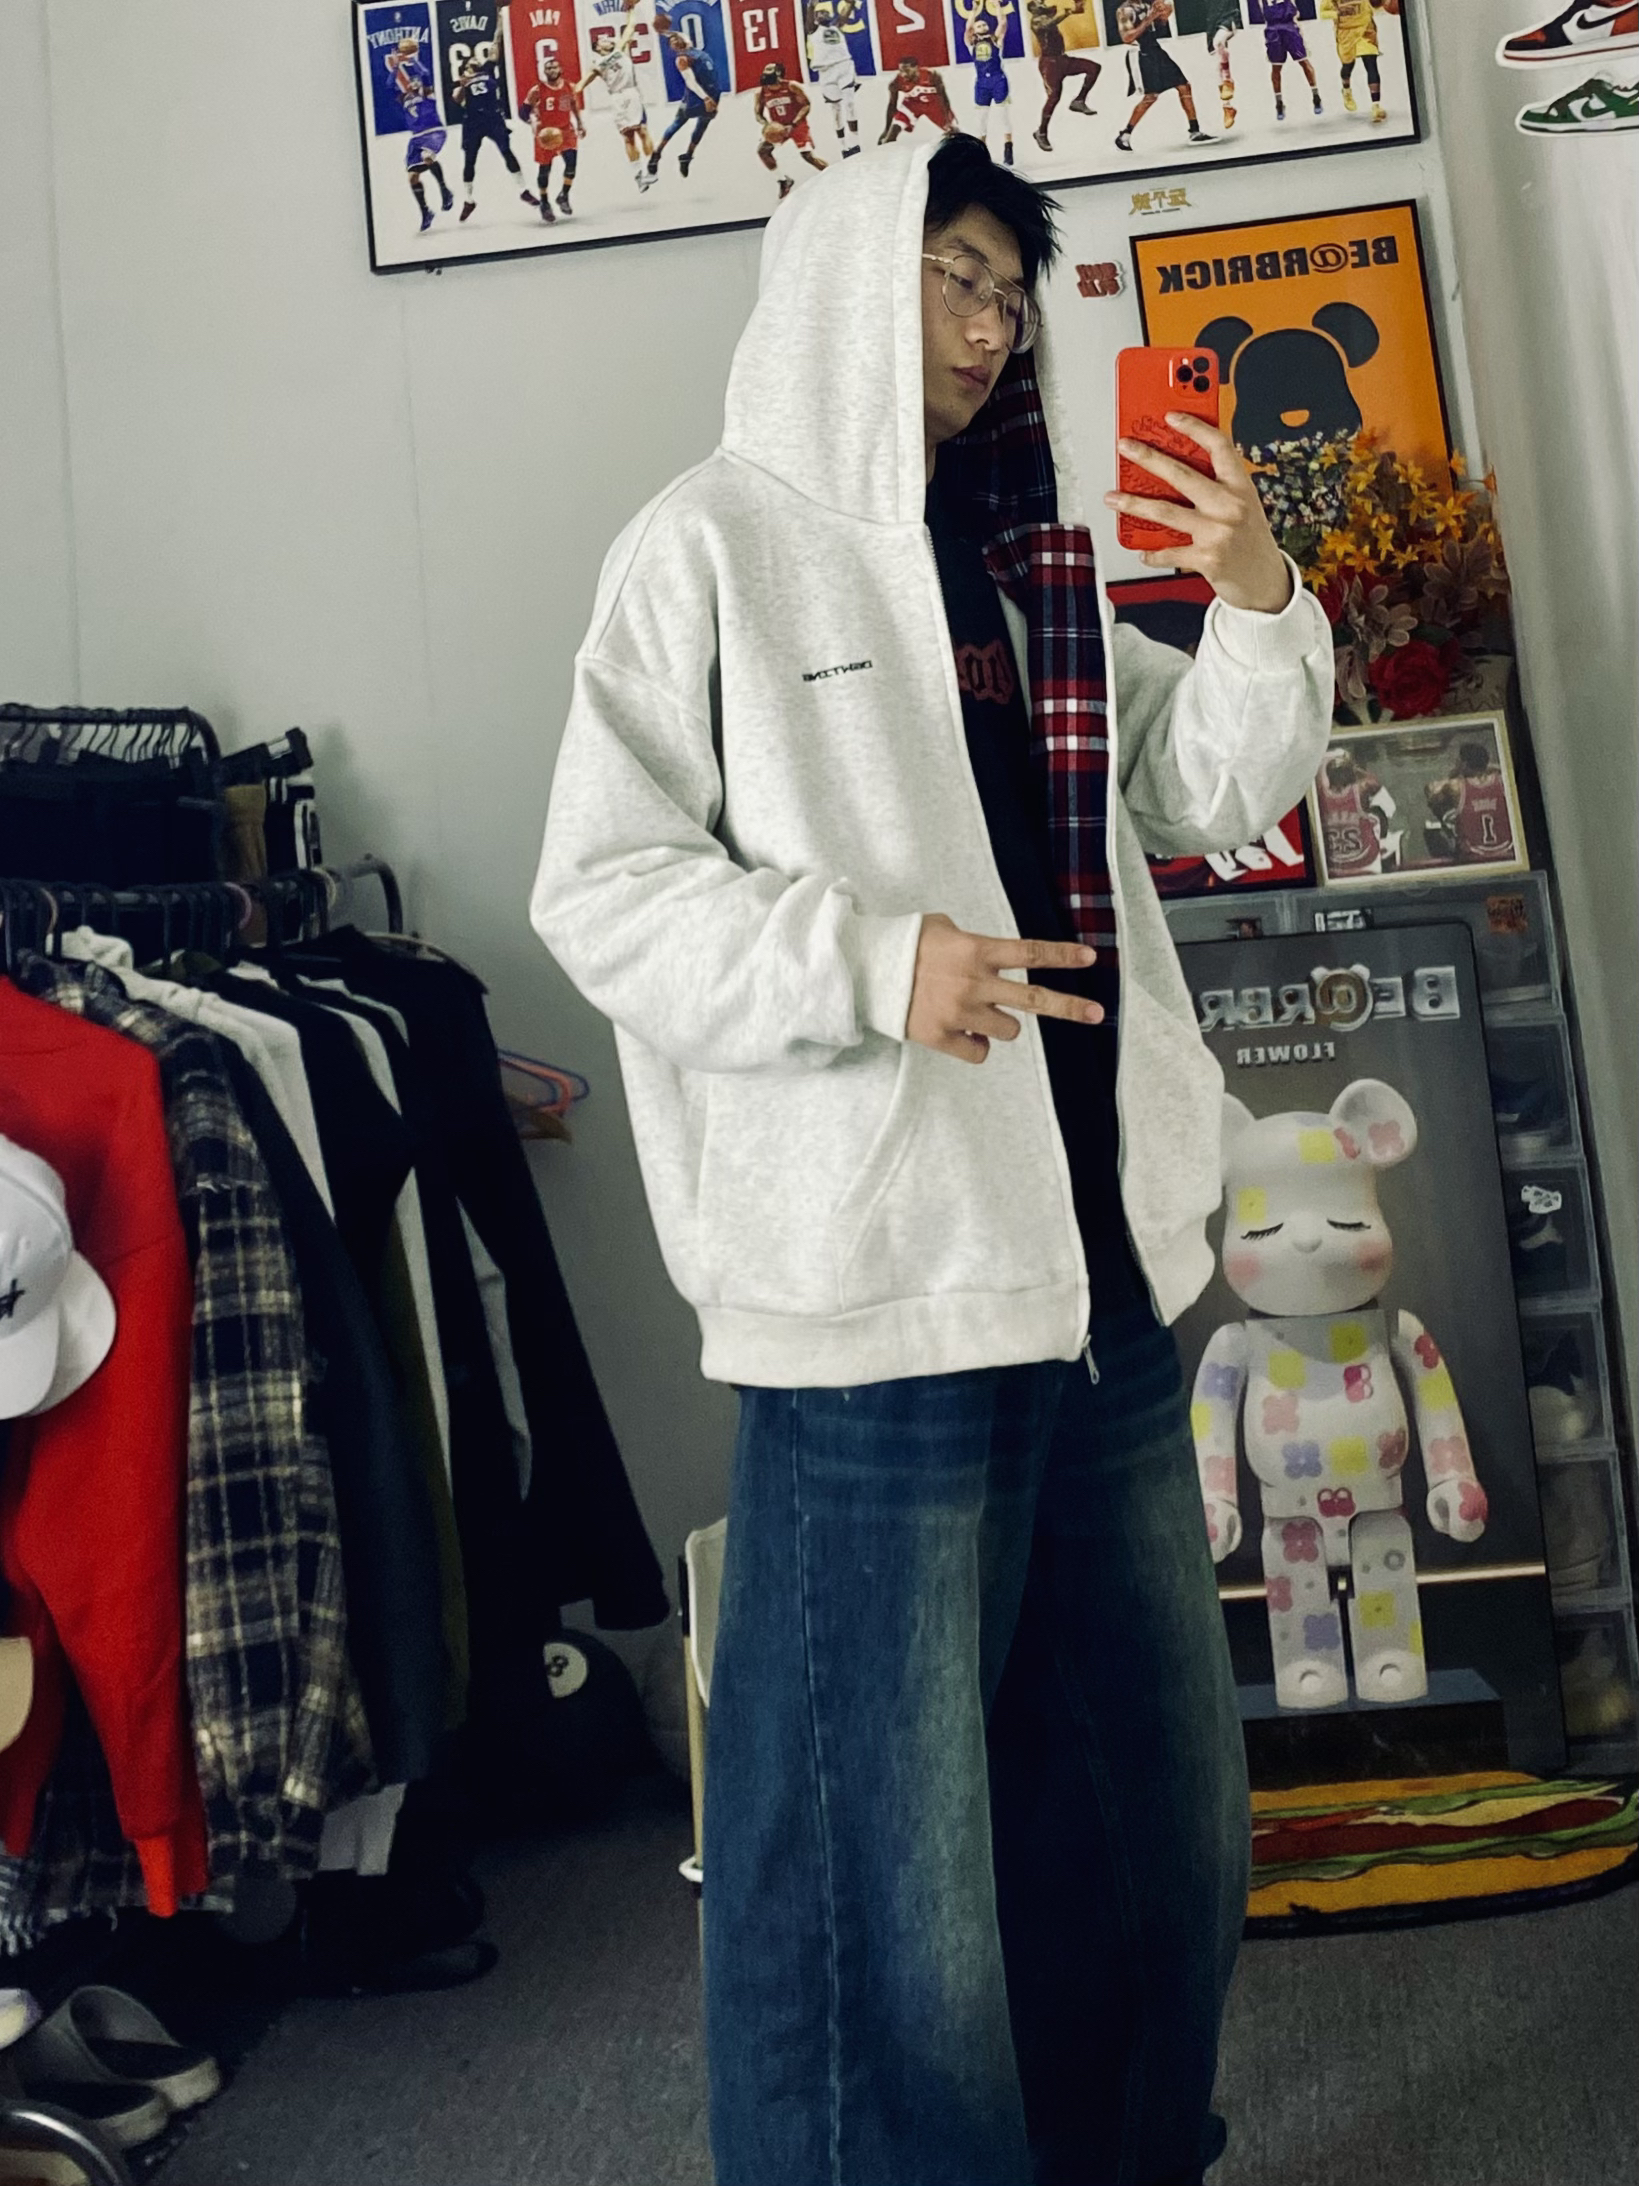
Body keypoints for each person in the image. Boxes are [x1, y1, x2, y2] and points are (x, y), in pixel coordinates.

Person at [532, 134, 1332, 2186]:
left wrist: (1256, 598)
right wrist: (872, 963)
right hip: (875, 1302)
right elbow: (603, 890)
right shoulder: (707, 547)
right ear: (842, 279)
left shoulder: (1016, 564)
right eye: (952, 277)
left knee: (1153, 1818)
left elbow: (1212, 786)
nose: (988, 327)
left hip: (1094, 1281)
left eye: (1007, 292)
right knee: (880, 1882)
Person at [453, 36, 539, 220]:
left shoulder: (487, 70)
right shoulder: (464, 80)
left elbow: (494, 50)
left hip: (493, 118)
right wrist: (462, 86)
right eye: (471, 61)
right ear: (466, 68)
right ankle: (468, 200)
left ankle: (523, 190)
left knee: (506, 151)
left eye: (476, 59)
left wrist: (499, 25)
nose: (475, 60)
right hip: (473, 122)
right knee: (470, 160)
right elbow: (457, 100)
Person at [1115, 0, 1210, 150]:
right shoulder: (1125, 11)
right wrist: (1151, 17)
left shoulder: (1145, 5)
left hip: (1155, 50)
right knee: (1150, 96)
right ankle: (1125, 134)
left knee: (1184, 86)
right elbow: (1127, 38)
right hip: (1141, 54)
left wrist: (1164, 15)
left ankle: (1195, 130)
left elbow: (1157, 28)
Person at [579, 17, 657, 194]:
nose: (608, 40)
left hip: (631, 93)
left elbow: (630, 27)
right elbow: (581, 84)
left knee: (642, 130)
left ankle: (652, 168)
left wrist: (631, 10)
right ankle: (639, 176)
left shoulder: (620, 50)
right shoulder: (597, 64)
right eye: (603, 40)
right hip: (616, 98)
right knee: (628, 137)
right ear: (598, 48)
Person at [388, 36, 455, 232]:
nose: (415, 83)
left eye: (417, 81)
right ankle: (426, 211)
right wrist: (395, 66)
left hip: (434, 132)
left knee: (427, 156)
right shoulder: (404, 98)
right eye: (412, 82)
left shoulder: (427, 93)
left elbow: (424, 73)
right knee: (412, 177)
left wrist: (412, 59)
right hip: (416, 137)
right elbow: (389, 85)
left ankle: (444, 190)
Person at [646, 26, 723, 180]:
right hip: (697, 96)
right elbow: (690, 81)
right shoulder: (682, 58)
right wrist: (705, 98)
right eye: (671, 42)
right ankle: (656, 154)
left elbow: (680, 35)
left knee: (702, 126)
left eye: (676, 39)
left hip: (713, 92)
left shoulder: (691, 48)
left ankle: (687, 156)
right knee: (677, 124)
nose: (674, 41)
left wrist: (664, 31)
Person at [1027, 0, 1101, 154]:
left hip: (1062, 59)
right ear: (1034, 9)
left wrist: (1077, 7)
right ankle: (1041, 132)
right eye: (1039, 3)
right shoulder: (1036, 20)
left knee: (1093, 68)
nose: (1043, 4)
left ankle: (1079, 100)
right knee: (1054, 97)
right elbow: (1050, 22)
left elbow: (1070, 11)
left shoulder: (1046, 14)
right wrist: (1069, 12)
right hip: (1049, 64)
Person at [1427, 739, 1517, 864]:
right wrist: (1489, 767)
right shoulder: (1504, 781)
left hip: (1473, 858)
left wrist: (1454, 773)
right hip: (1506, 854)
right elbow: (1509, 770)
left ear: (1463, 764)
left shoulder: (1456, 787)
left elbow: (1432, 794)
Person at [1317, 744, 1396, 876]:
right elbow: (1390, 809)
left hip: (1336, 866)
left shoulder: (1318, 795)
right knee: (1383, 825)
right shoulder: (1363, 788)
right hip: (1365, 862)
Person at [522, 53, 583, 222]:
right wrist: (532, 122)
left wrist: (580, 123)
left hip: (565, 130)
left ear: (560, 69)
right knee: (545, 169)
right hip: (545, 132)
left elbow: (571, 105)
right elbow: (523, 112)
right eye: (548, 68)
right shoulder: (537, 90)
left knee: (571, 164)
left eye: (554, 67)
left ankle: (564, 195)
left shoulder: (568, 87)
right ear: (544, 72)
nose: (552, 70)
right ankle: (544, 202)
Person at [754, 60, 828, 199]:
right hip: (778, 126)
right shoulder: (761, 93)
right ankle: (783, 180)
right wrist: (767, 124)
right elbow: (758, 113)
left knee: (807, 156)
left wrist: (793, 124)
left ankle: (832, 173)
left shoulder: (791, 86)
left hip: (796, 124)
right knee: (763, 151)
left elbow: (806, 105)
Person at [956, 0, 1018, 163]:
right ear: (975, 29)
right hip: (982, 83)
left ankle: (1008, 149)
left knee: (1003, 116)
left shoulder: (995, 39)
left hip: (998, 80)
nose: (982, 26)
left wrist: (997, 6)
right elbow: (967, 29)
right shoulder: (971, 43)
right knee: (981, 120)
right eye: (979, 25)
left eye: (984, 24)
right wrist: (974, 10)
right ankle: (982, 153)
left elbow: (1003, 22)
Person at [806, 0, 867, 157]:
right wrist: (811, 6)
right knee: (836, 110)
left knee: (849, 103)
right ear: (816, 18)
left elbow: (847, 10)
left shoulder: (836, 26)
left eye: (826, 12)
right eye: (820, 13)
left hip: (843, 66)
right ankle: (844, 147)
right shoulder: (813, 30)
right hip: (826, 71)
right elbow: (810, 15)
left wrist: (850, 3)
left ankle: (855, 143)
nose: (823, 14)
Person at [1322, 0, 1388, 122]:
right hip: (1346, 33)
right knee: (1348, 66)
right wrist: (1337, 13)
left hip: (1365, 30)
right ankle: (1346, 90)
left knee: (1371, 65)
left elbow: (1377, 4)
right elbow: (1322, 13)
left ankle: (1376, 105)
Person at [1260, 0, 1323, 120]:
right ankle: (1279, 103)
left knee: (1303, 61)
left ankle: (1316, 96)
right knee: (1276, 67)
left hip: (1290, 27)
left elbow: (1296, 11)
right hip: (1273, 30)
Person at [880, 53, 958, 141]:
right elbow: (892, 105)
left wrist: (948, 120)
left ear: (916, 68)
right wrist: (886, 130)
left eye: (907, 70)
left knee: (953, 131)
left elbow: (943, 98)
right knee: (894, 129)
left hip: (934, 105)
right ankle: (889, 144)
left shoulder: (932, 76)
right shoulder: (896, 83)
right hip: (913, 104)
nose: (903, 74)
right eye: (901, 71)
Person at [1201, 0, 1243, 127]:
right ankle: (1227, 107)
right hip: (1212, 20)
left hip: (1229, 15)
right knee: (1216, 65)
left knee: (1218, 42)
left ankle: (1228, 81)